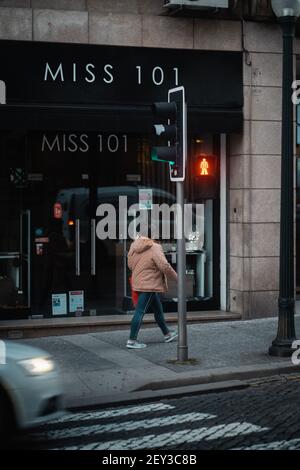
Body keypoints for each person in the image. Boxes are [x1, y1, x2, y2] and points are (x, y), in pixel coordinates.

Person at [127, 235, 178, 349]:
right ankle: (132, 340)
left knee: (157, 309)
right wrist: (177, 278)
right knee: (140, 311)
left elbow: (130, 265)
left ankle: (167, 334)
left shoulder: (134, 245)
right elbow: (164, 266)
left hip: (139, 282)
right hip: (149, 284)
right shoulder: (155, 247)